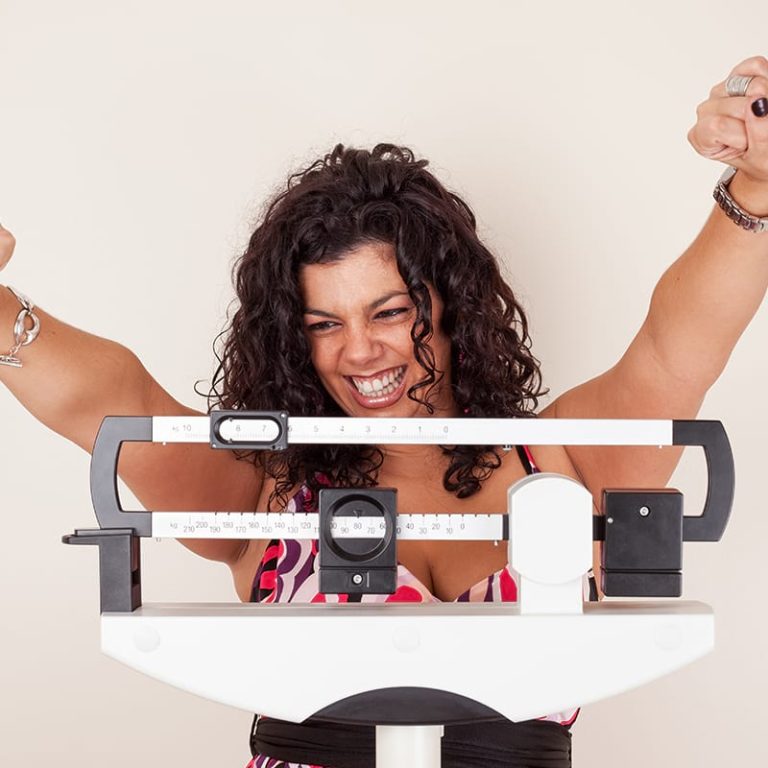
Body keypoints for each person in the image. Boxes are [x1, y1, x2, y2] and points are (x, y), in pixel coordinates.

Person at [2, 56, 768, 768]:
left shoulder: (565, 461)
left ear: (453, 307)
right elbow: (117, 399)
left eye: (390, 311)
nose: (360, 352)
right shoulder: (267, 493)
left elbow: (676, 346)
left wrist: (756, 183)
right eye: (324, 324)